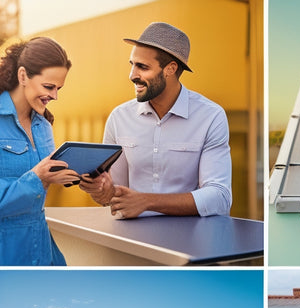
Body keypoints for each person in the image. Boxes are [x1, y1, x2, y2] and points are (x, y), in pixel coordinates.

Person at [80, 22, 232, 219]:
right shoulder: (119, 118)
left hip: (192, 240)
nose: (132, 75)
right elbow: (114, 196)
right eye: (132, 65)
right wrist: (102, 191)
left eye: (142, 67)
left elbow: (219, 197)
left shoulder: (211, 117)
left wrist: (147, 201)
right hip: (134, 239)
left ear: (170, 69)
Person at [0, 37, 79, 265]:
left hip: (41, 250)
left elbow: (43, 184)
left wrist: (82, 176)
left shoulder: (42, 124)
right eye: (49, 87)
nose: (55, 96)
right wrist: (37, 178)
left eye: (59, 88)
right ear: (23, 75)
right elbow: (36, 179)